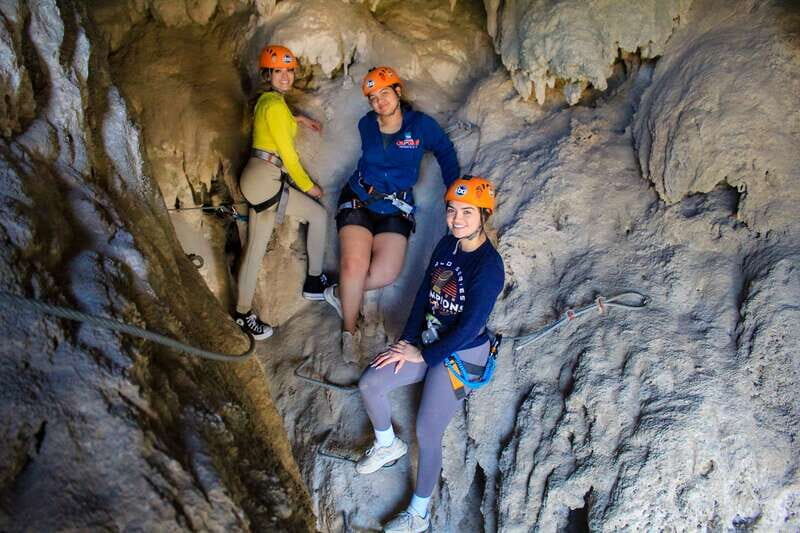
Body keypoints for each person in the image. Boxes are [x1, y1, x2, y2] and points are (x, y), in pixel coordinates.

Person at [356, 176, 504, 532]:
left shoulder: (489, 267)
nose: (457, 219)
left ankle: (418, 515)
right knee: (371, 382)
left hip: (461, 354)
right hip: (428, 341)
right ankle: (387, 445)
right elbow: (424, 295)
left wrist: (423, 356)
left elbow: (470, 326)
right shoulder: (446, 245)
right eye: (452, 211)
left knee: (427, 430)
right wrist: (405, 344)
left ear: (484, 215)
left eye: (468, 212)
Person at [324, 66, 460, 361]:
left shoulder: (420, 125)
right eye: (372, 97)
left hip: (396, 207)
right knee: (353, 265)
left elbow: (446, 152)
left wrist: (454, 191)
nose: (379, 101)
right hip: (359, 197)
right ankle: (349, 331)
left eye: (384, 93)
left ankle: (340, 293)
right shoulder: (366, 125)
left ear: (398, 92)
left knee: (386, 272)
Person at [234, 44, 332, 340]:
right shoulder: (274, 105)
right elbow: (288, 155)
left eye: (289, 71)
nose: (286, 76)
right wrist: (308, 186)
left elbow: (276, 127)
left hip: (257, 177)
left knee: (254, 249)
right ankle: (314, 283)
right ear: (268, 74)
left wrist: (300, 120)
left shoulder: (270, 103)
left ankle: (241, 313)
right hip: (266, 177)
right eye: (279, 71)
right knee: (317, 214)